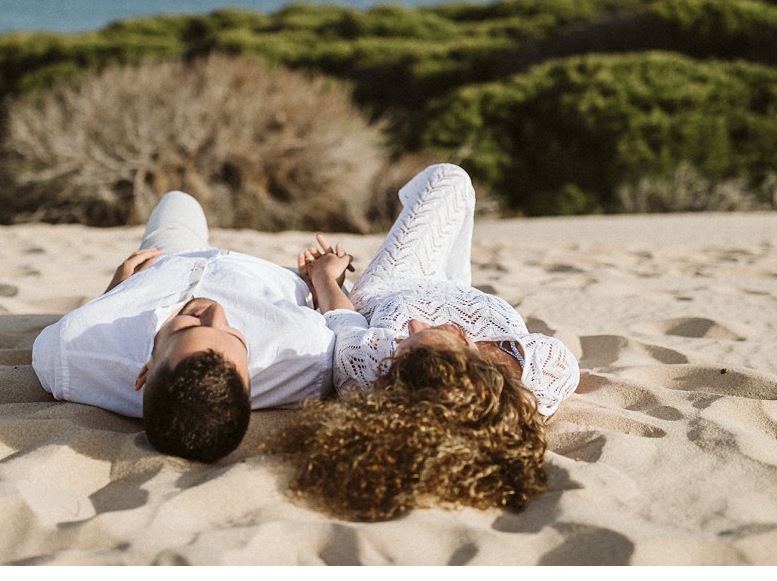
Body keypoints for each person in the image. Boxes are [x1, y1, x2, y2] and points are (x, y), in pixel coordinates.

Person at [269, 163, 580, 521]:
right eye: (430, 332)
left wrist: (325, 277)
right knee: (455, 186)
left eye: (406, 337)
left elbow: (344, 321)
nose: (416, 324)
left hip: (392, 284)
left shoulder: (377, 368)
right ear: (468, 344)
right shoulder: (547, 368)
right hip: (461, 290)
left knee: (448, 178)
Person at [32, 190, 335, 464]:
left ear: (146, 371)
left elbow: (54, 344)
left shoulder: (70, 349)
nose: (215, 312)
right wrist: (324, 279)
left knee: (178, 199)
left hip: (171, 257)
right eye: (233, 334)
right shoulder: (308, 356)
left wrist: (114, 293)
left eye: (187, 328)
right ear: (250, 387)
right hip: (267, 275)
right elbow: (344, 321)